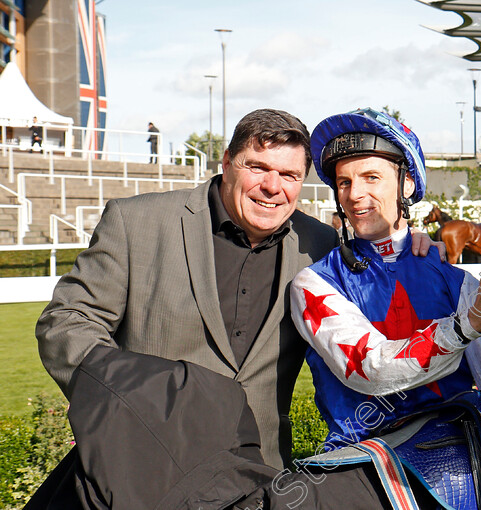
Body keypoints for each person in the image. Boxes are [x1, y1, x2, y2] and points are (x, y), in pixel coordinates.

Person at [37, 109, 338, 470]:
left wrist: (415, 244)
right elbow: (66, 322)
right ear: (227, 162)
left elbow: (380, 294)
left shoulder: (320, 245)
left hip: (261, 475)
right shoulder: (136, 223)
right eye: (257, 167)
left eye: (289, 175)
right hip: (144, 470)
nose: (273, 186)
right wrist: (137, 396)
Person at [286, 107, 481, 508]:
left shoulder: (454, 279)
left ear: (406, 183)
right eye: (344, 182)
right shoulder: (313, 284)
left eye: (372, 178)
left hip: (462, 471)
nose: (354, 195)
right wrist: (462, 329)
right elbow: (371, 369)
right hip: (363, 476)